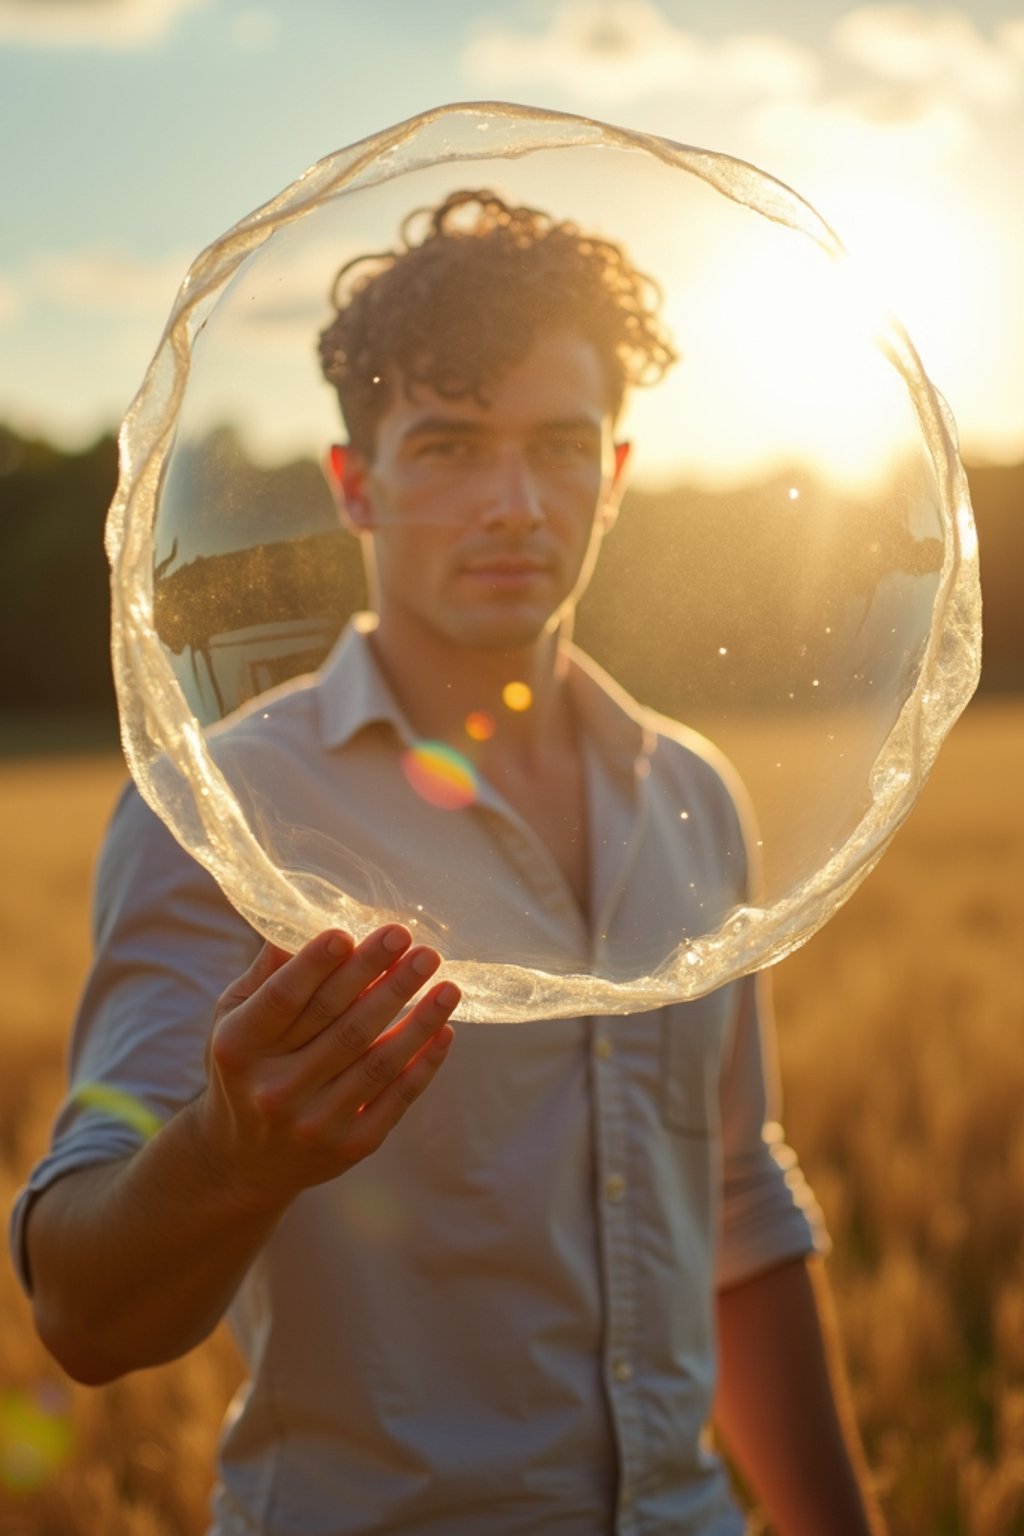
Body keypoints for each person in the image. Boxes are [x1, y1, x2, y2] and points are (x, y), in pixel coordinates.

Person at [11, 190, 883, 1535]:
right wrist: (234, 1155)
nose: (517, 504)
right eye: (452, 446)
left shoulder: (695, 792)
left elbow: (733, 1208)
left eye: (559, 445)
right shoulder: (230, 806)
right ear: (356, 485)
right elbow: (79, 1307)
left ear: (618, 469)